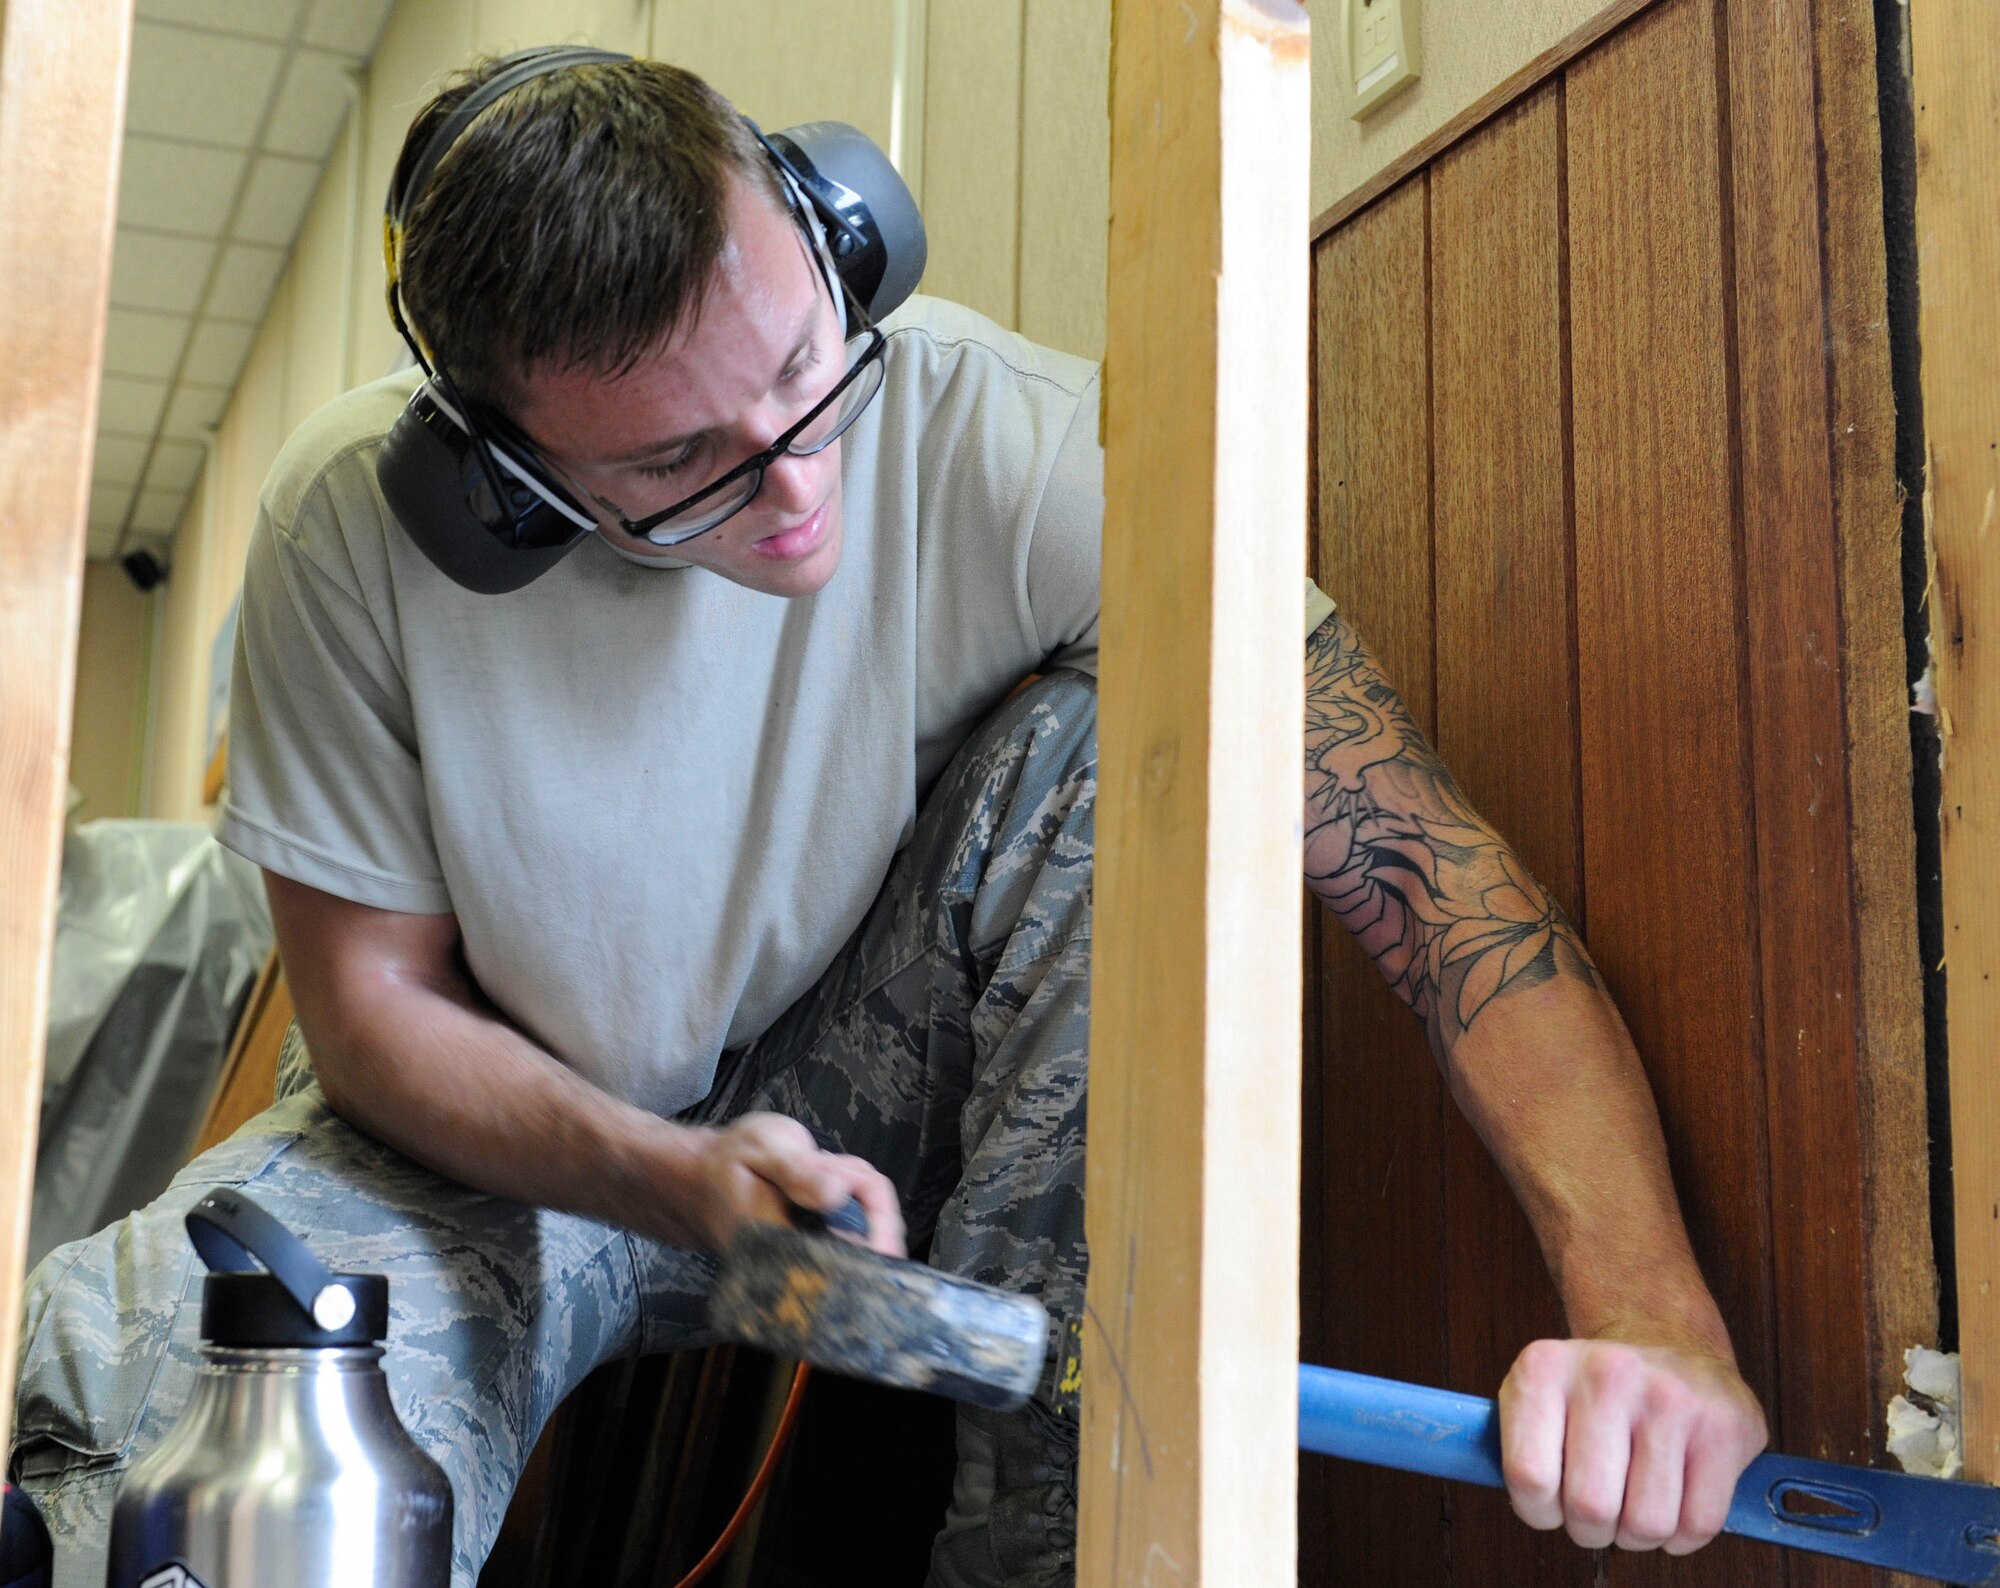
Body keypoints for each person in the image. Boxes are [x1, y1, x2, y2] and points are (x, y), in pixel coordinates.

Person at [10, 49, 1766, 1588]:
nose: (796, 484)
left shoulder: (1028, 451)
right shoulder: (352, 533)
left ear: (844, 231)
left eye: (807, 362)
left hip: (859, 1113)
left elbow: (1440, 896)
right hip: (488, 1147)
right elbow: (374, 1017)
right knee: (177, 1392)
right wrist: (676, 1181)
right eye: (679, 467)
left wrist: (1652, 1321)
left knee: (1115, 747)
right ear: (506, 490)